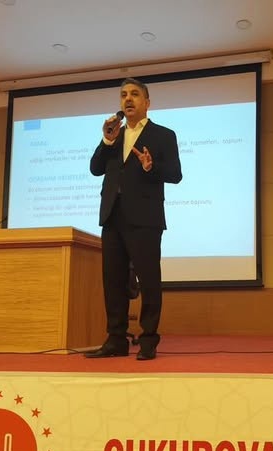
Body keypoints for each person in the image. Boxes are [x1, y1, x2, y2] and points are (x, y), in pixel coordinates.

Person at [85, 78, 182, 360]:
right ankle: (116, 339)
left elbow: (175, 174)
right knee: (113, 281)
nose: (128, 99)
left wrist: (152, 168)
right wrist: (106, 140)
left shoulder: (163, 135)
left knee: (149, 280)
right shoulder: (113, 135)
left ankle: (149, 339)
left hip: (145, 218)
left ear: (147, 103)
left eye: (135, 94)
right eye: (124, 95)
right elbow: (95, 169)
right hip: (112, 216)